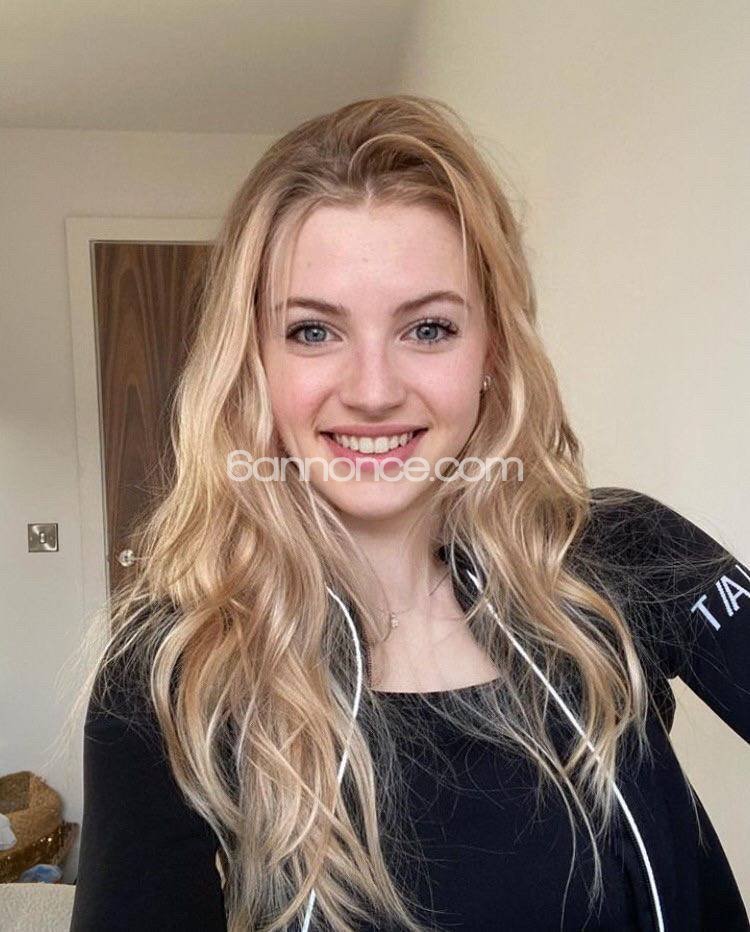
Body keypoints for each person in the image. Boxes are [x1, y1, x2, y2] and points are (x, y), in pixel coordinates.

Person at [69, 95, 750, 932]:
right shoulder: (176, 668)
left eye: (428, 329)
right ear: (251, 360)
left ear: (492, 349)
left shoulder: (625, 554)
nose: (373, 391)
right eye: (313, 332)